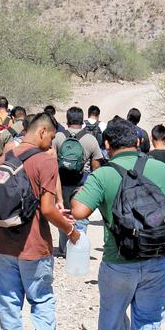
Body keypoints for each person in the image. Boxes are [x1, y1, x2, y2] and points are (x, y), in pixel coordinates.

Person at [71, 118, 165, 330]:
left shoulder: (104, 175)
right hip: (157, 261)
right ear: (139, 140)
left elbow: (79, 211)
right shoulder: (163, 171)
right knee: (148, 323)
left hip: (119, 262)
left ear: (107, 145)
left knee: (112, 313)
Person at [0, 113, 80, 330]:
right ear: (42, 131)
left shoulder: (8, 155)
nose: (52, 143)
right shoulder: (45, 161)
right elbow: (48, 208)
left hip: (4, 244)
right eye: (52, 137)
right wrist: (71, 231)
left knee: (8, 304)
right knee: (41, 298)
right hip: (35, 245)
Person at [52, 106, 102, 257]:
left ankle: (64, 249)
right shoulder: (90, 139)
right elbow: (96, 167)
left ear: (67, 120)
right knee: (80, 218)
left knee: (63, 215)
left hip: (61, 183)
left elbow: (52, 163)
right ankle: (78, 249)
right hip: (82, 184)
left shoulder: (58, 137)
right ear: (83, 121)